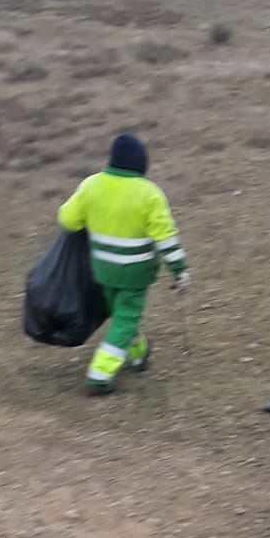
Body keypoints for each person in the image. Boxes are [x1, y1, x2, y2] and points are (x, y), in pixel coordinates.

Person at [57, 133, 188, 396]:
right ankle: (100, 373)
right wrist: (180, 270)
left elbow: (68, 219)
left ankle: (138, 353)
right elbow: (165, 237)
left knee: (121, 316)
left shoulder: (91, 185)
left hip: (102, 269)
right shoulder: (149, 194)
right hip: (135, 273)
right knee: (126, 318)